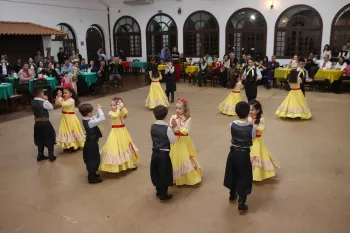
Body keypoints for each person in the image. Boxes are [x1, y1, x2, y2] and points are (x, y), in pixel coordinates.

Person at [223, 101, 257, 212]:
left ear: (236, 113)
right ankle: (242, 202)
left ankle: (232, 194)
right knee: (244, 176)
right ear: (248, 113)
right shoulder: (252, 127)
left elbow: (232, 134)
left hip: (233, 153)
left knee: (232, 172)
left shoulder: (232, 124)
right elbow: (253, 138)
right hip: (244, 154)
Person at [99, 97, 139, 173]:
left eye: (114, 105)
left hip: (123, 131)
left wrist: (122, 106)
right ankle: (115, 166)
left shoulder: (119, 111)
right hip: (115, 132)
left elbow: (125, 113)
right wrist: (118, 108)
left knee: (125, 147)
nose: (112, 107)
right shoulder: (110, 113)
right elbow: (116, 115)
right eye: (112, 105)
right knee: (115, 147)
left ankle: (129, 163)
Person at [169, 98, 202, 185]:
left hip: (184, 142)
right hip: (175, 142)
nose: (177, 110)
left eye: (180, 108)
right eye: (176, 108)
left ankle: (190, 178)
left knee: (185, 158)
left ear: (185, 109)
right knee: (175, 159)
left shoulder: (188, 119)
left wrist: (177, 127)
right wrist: (172, 126)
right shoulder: (173, 117)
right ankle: (175, 178)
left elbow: (185, 131)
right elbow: (170, 129)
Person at [248, 100, 280, 181]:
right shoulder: (248, 118)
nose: (250, 111)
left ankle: (256, 175)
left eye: (252, 110)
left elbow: (260, 129)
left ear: (257, 111)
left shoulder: (261, 119)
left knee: (256, 156)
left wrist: (253, 126)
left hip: (257, 141)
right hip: (248, 140)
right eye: (249, 109)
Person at [150, 105, 176, 200]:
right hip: (164, 154)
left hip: (155, 153)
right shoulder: (167, 129)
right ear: (165, 116)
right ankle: (164, 194)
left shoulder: (153, 126)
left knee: (156, 171)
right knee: (164, 173)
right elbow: (173, 140)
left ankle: (158, 190)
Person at [79, 103, 105, 184]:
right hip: (91, 144)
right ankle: (91, 178)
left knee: (93, 158)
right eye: (91, 112)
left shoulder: (86, 118)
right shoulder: (90, 122)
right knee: (93, 159)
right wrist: (100, 109)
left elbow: (95, 117)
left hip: (91, 142)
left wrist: (97, 111)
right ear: (89, 113)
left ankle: (93, 174)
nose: (92, 113)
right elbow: (101, 118)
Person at [31, 87, 56, 162]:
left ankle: (40, 155)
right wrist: (46, 100)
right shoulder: (44, 102)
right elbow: (51, 108)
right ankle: (51, 155)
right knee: (50, 137)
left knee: (39, 138)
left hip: (37, 123)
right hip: (45, 122)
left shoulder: (32, 102)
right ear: (41, 94)